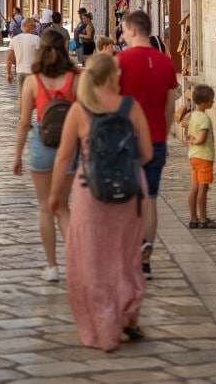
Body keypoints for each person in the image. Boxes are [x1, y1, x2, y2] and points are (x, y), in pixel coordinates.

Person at [49, 54, 152, 351]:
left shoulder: (80, 111)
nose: (120, 78)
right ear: (109, 78)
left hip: (90, 192)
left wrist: (56, 195)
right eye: (117, 74)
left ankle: (104, 327)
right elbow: (146, 153)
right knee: (126, 255)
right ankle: (128, 313)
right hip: (131, 190)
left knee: (94, 260)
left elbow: (63, 157)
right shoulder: (131, 108)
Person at [116, 9, 178, 278]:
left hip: (126, 141)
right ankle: (146, 261)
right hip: (156, 139)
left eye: (123, 30)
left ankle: (130, 254)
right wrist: (163, 133)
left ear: (132, 30)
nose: (122, 35)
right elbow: (170, 105)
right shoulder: (165, 62)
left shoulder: (121, 61)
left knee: (129, 201)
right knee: (151, 199)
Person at [13, 32, 76, 281]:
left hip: (42, 142)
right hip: (68, 145)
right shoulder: (75, 79)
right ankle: (76, 262)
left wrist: (17, 155)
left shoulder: (33, 81)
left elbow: (23, 122)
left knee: (44, 207)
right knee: (62, 206)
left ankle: (51, 266)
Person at [186, 84, 216, 229]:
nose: (213, 102)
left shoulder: (193, 116)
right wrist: (195, 141)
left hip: (193, 156)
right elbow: (201, 139)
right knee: (203, 189)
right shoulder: (205, 119)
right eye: (211, 100)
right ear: (205, 102)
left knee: (194, 188)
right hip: (204, 157)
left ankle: (193, 218)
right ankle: (203, 219)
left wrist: (191, 142)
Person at [7, 17, 41, 87]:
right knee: (32, 96)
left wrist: (9, 73)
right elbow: (40, 57)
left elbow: (9, 59)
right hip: (32, 72)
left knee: (21, 96)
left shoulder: (14, 39)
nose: (35, 29)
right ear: (31, 27)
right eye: (34, 27)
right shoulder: (36, 39)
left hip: (20, 72)